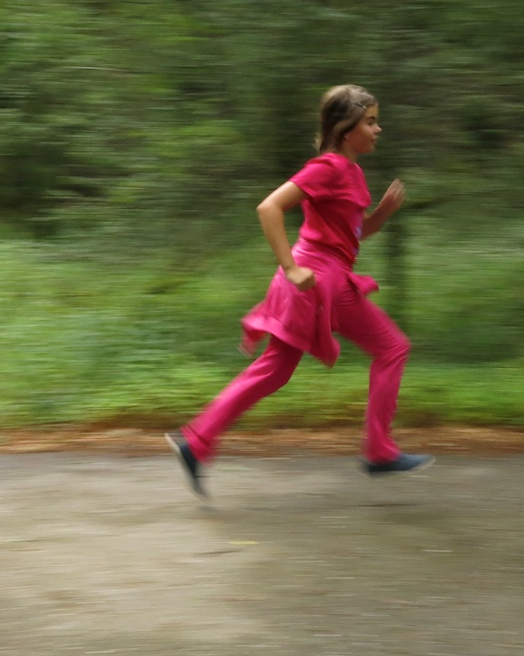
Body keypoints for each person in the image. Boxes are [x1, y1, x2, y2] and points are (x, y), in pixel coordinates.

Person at [166, 84, 433, 498]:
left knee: (274, 369)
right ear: (347, 129)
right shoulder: (327, 167)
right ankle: (379, 450)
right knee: (392, 349)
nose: (379, 129)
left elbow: (350, 237)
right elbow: (268, 207)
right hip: (318, 279)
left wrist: (380, 214)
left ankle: (196, 443)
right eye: (371, 121)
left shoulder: (351, 171)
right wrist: (290, 268)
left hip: (320, 276)